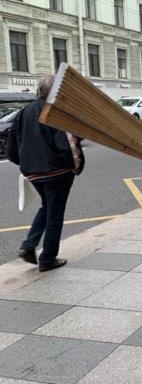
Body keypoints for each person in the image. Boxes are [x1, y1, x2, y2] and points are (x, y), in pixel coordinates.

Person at [7, 75, 85, 272]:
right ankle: (48, 259)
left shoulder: (23, 113)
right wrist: (75, 167)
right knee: (55, 215)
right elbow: (67, 147)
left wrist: (26, 165)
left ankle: (28, 245)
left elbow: (12, 149)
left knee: (46, 207)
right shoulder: (56, 112)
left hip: (33, 173)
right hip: (57, 173)